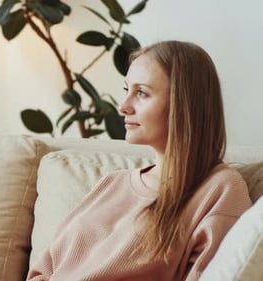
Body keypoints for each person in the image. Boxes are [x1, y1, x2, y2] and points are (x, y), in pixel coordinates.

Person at [26, 40, 252, 281]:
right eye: (126, 90)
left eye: (141, 93)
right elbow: (44, 270)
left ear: (183, 103)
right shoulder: (112, 183)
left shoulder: (219, 190)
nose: (123, 107)